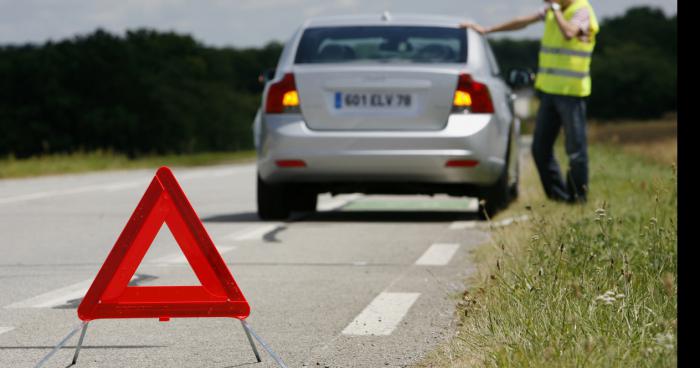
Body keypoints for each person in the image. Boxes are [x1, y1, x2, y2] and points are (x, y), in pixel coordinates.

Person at [461, 0, 599, 203]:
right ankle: (559, 198)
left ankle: (578, 198)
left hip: (572, 93)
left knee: (575, 150)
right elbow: (521, 22)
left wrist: (556, 10)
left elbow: (569, 33)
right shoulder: (552, 10)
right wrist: (487, 30)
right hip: (549, 91)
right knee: (540, 148)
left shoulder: (581, 11)